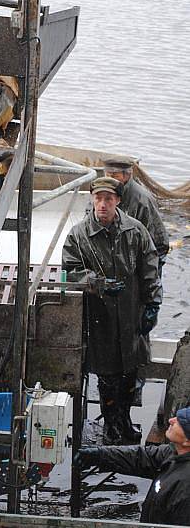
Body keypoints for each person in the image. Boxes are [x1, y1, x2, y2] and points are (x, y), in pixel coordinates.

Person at [62, 176, 162, 445]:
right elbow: (69, 273)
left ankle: (125, 420)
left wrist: (153, 304)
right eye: (98, 199)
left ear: (118, 201)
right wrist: (99, 284)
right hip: (100, 318)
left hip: (131, 314)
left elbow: (150, 269)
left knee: (131, 371)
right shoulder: (79, 235)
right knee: (107, 376)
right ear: (92, 200)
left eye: (108, 199)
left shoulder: (136, 231)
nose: (102, 205)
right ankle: (111, 425)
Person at [74, 406, 190, 526]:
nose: (171, 420)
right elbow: (141, 457)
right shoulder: (174, 452)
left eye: (181, 422)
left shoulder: (186, 488)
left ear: (187, 440)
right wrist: (99, 455)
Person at [102, 157, 169, 270]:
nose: (110, 180)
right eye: (107, 175)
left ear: (127, 176)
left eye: (115, 176)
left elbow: (160, 244)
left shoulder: (143, 200)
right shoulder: (100, 195)